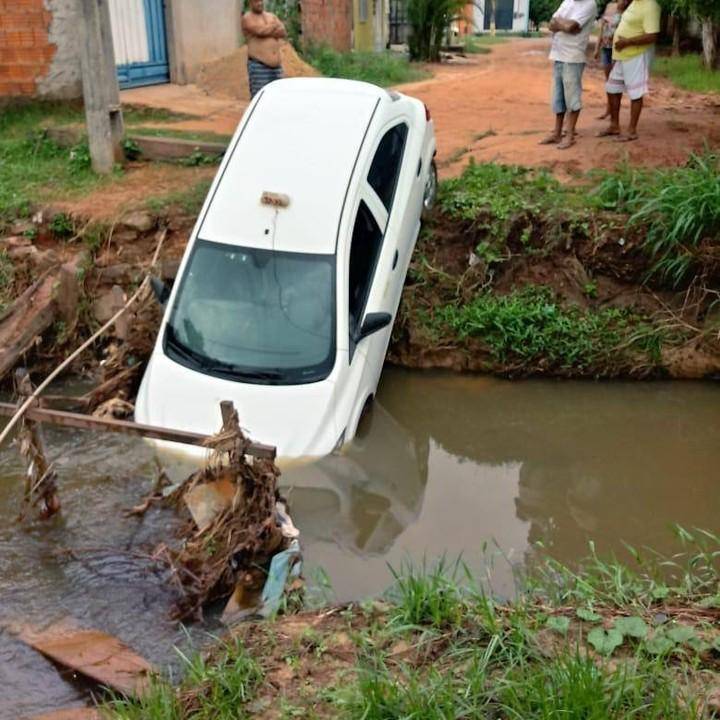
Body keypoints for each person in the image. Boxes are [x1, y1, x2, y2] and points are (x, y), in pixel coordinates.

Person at [598, 0, 660, 141]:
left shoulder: (650, 5)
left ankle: (632, 131)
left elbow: (652, 36)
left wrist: (627, 42)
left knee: (636, 93)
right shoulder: (633, 3)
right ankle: (614, 125)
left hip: (636, 55)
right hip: (622, 56)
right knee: (612, 88)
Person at [540, 0, 598, 150]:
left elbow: (572, 26)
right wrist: (564, 25)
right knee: (558, 97)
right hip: (558, 55)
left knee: (572, 98)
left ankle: (570, 135)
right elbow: (552, 24)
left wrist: (564, 25)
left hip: (573, 57)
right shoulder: (567, 1)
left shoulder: (589, 4)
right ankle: (557, 133)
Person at [241, 0, 287, 98]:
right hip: (259, 66)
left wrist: (267, 30)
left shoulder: (271, 15)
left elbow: (283, 31)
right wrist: (274, 26)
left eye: (261, 0)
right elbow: (260, 31)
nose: (260, 3)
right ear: (250, 3)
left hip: (277, 68)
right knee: (260, 98)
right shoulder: (247, 18)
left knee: (278, 98)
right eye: (256, 1)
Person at [594, 0, 626, 118]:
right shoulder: (609, 6)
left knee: (615, 82)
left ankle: (614, 111)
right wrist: (597, 48)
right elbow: (602, 29)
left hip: (616, 49)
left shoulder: (625, 7)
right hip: (606, 48)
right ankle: (609, 109)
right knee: (608, 82)